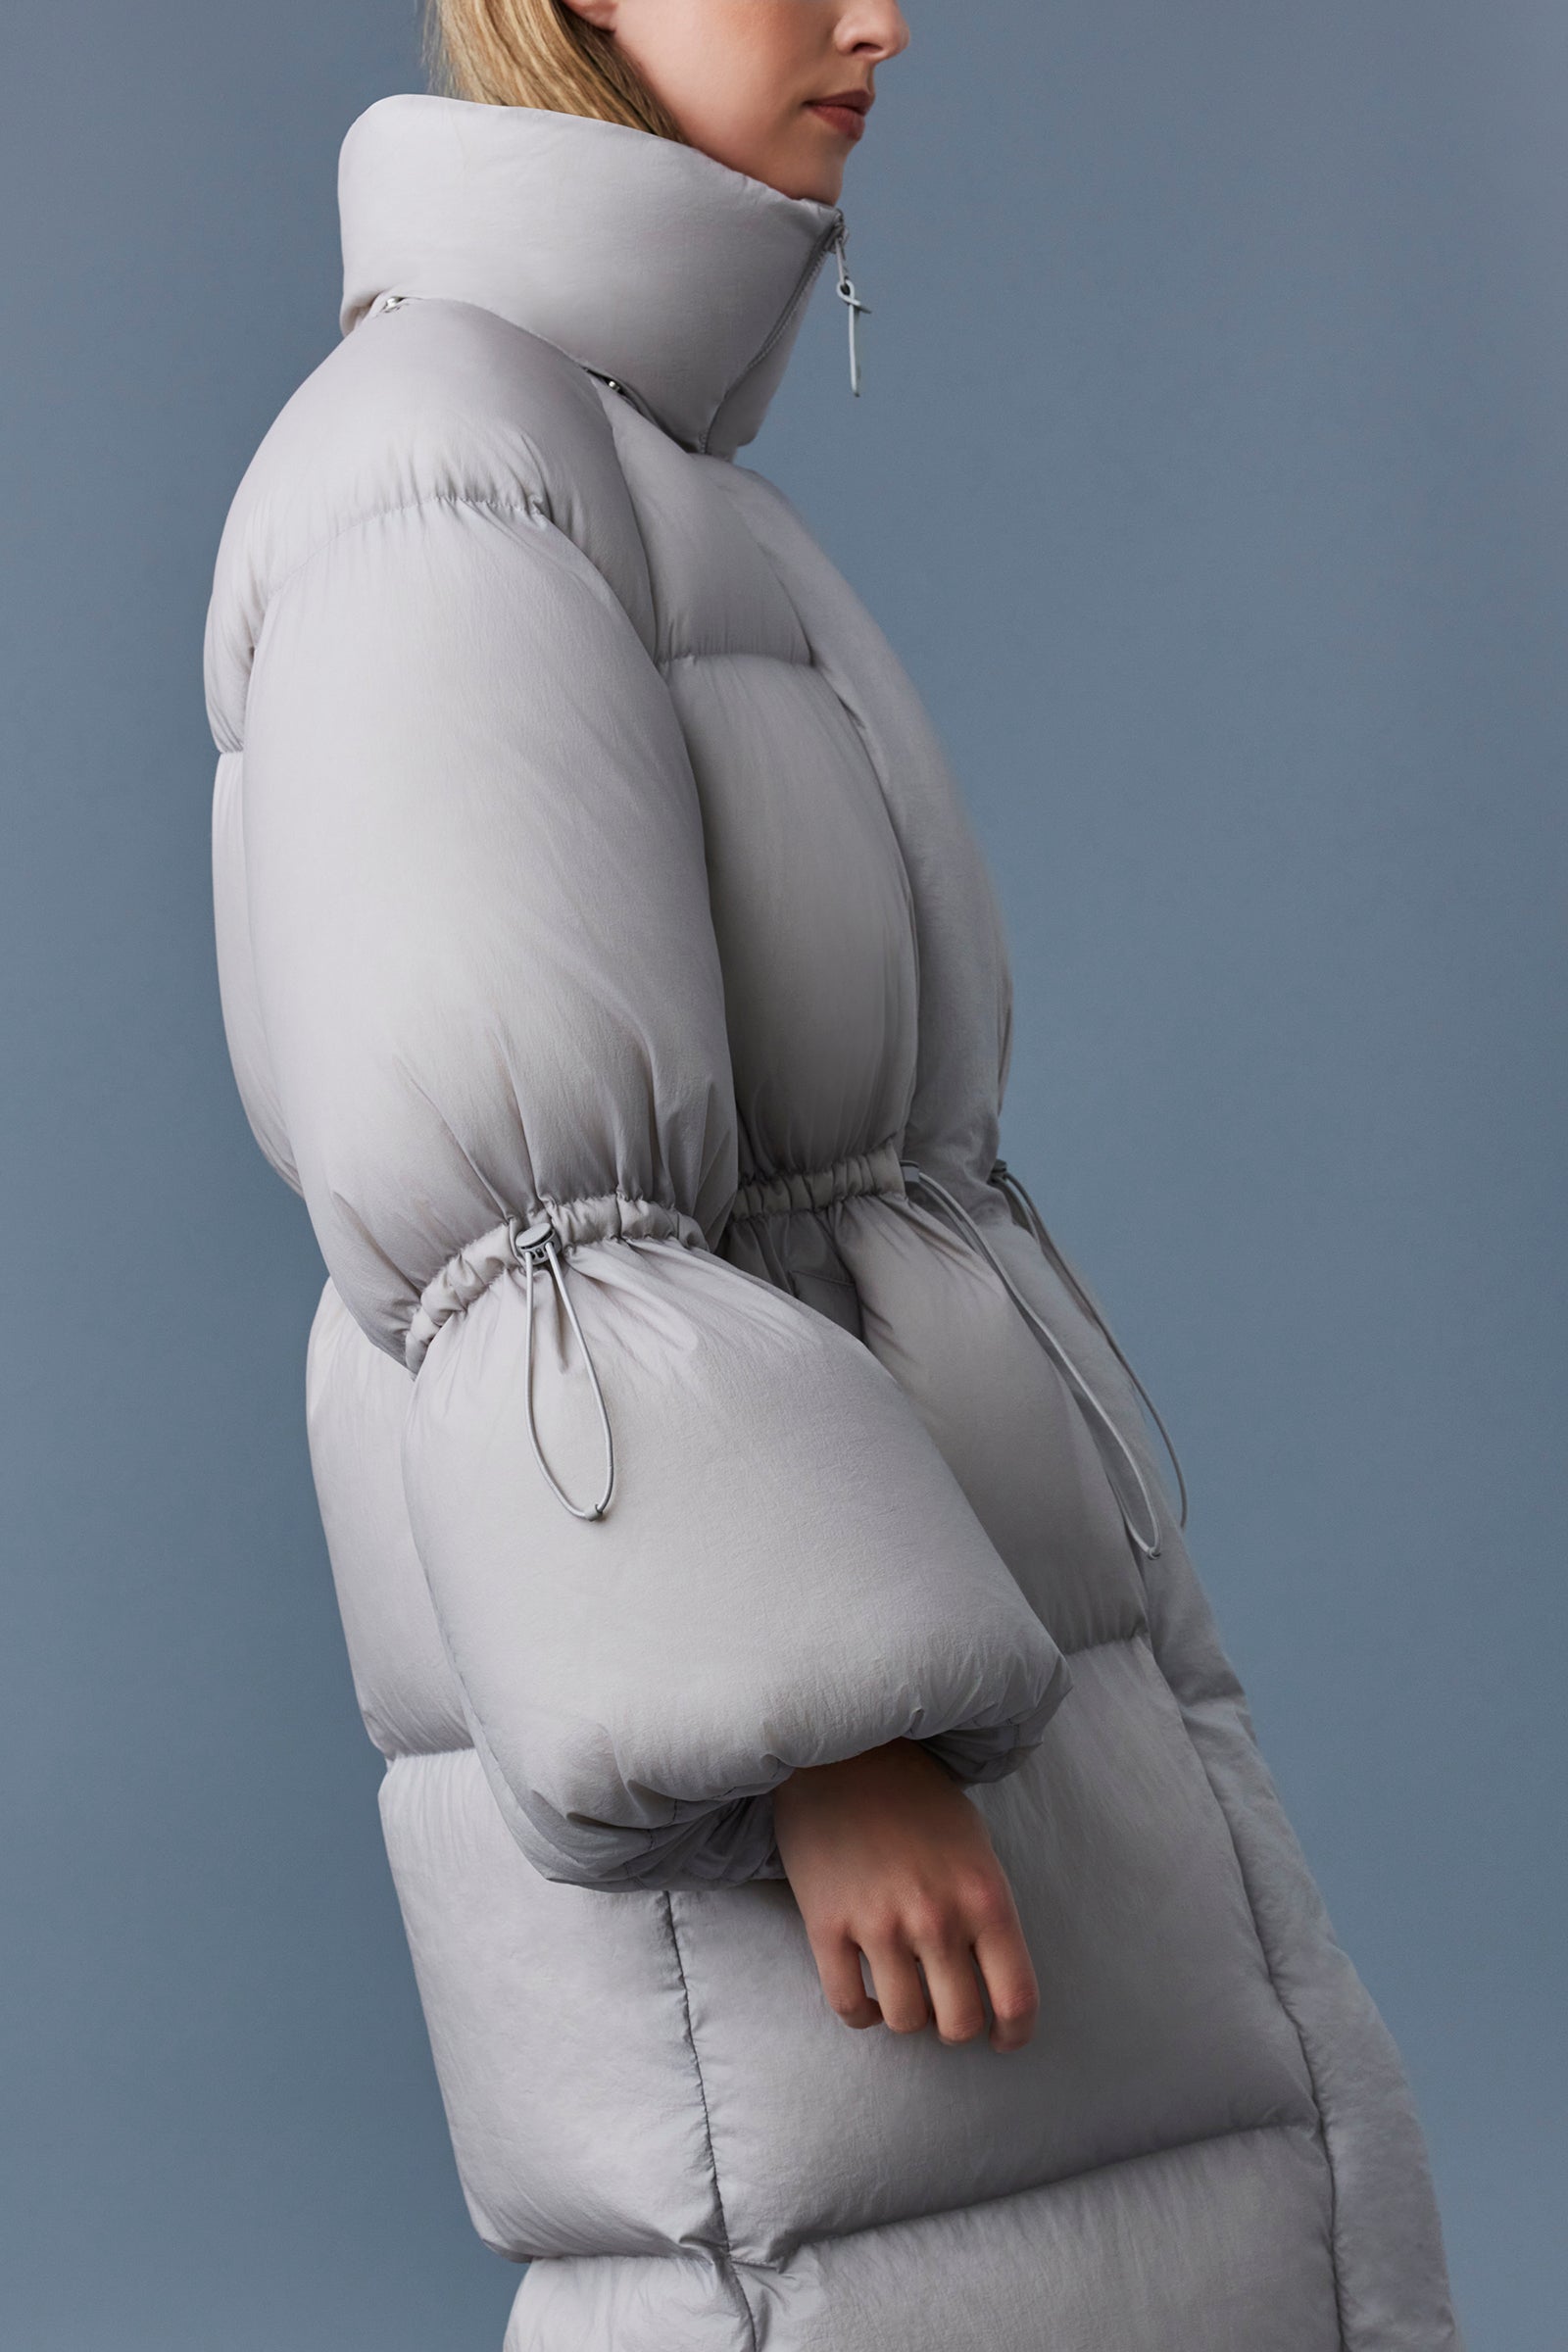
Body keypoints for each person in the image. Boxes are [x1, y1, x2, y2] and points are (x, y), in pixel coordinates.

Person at [204, 3, 1462, 2344]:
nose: (877, 16)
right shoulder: (432, 462)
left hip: (974, 1696)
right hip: (822, 1758)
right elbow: (506, 1207)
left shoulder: (650, 478)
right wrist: (813, 1729)